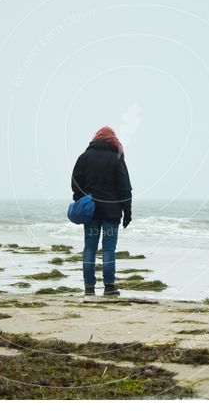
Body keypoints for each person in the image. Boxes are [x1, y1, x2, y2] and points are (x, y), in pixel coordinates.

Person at [71, 126, 132, 296]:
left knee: (89, 248)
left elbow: (75, 183)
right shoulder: (116, 158)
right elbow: (125, 188)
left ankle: (89, 287)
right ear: (112, 139)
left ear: (96, 138)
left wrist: (81, 200)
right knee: (108, 249)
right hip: (111, 213)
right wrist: (127, 213)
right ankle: (109, 286)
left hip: (91, 213)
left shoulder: (84, 157)